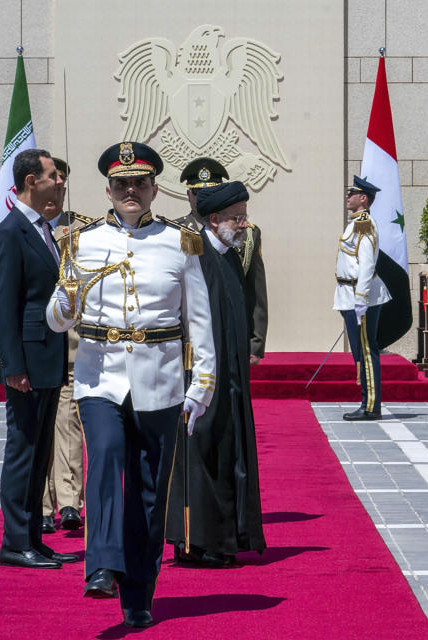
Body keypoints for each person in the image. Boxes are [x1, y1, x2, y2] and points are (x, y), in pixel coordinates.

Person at [46, 141, 216, 629]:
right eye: (121, 184)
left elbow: (199, 321)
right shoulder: (81, 241)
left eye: (139, 183)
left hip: (160, 381)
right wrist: (67, 299)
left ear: (153, 189)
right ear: (108, 189)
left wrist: (201, 383)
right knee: (105, 453)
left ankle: (139, 592)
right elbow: (58, 320)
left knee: (148, 490)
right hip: (100, 377)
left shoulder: (180, 242)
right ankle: (100, 564)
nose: (130, 191)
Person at [166, 180, 266, 567]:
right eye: (236, 219)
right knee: (201, 453)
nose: (243, 225)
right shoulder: (198, 255)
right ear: (214, 219)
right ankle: (195, 543)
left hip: (232, 377)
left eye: (244, 217)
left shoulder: (226, 255)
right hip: (203, 378)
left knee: (227, 453)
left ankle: (226, 536)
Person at [0, 148, 77, 569]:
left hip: (46, 359)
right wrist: (14, 367)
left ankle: (33, 540)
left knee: (40, 453)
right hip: (26, 364)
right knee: (23, 452)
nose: (59, 182)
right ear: (30, 182)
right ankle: (15, 542)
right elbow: (4, 307)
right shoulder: (11, 233)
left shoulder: (44, 229)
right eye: (52, 176)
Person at [41, 157, 91, 534]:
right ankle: (42, 504)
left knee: (69, 422)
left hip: (72, 346)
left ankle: (71, 501)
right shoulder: (24, 230)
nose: (58, 184)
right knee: (38, 426)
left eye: (62, 179)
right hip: (40, 346)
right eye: (51, 178)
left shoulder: (83, 230)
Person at [178, 157, 268, 364]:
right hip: (189, 338)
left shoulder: (248, 233)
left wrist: (255, 343)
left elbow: (255, 289)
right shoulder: (175, 232)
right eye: (198, 193)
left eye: (211, 192)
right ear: (188, 195)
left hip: (232, 330)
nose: (203, 198)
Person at [336, 176, 391, 420]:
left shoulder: (364, 224)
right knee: (361, 351)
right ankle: (367, 402)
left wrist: (361, 299)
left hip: (361, 297)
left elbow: (367, 264)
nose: (348, 196)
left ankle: (371, 406)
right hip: (349, 294)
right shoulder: (355, 223)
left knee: (367, 351)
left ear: (363, 198)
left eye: (352, 193)